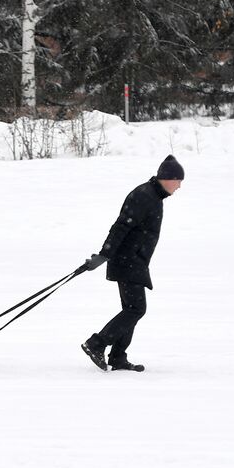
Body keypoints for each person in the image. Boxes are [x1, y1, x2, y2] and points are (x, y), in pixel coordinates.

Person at [79, 154, 184, 372]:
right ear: (167, 178)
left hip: (134, 260)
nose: (180, 186)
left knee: (131, 309)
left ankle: (118, 357)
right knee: (136, 309)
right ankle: (96, 343)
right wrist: (104, 254)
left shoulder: (153, 195)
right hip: (128, 260)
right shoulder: (144, 196)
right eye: (178, 180)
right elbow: (121, 226)